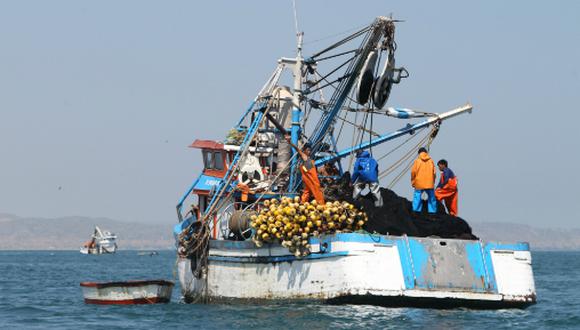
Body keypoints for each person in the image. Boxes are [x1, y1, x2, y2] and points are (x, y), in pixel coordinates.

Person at [285, 135, 325, 205]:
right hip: (310, 180)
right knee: (315, 191)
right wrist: (290, 142)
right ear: (304, 151)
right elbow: (297, 149)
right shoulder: (305, 157)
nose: (309, 151)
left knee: (307, 192)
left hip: (312, 180)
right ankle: (321, 205)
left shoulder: (310, 160)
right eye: (308, 150)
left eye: (310, 150)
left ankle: (303, 203)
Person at [410, 147, 436, 214]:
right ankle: (432, 211)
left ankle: (416, 210)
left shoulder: (417, 161)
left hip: (419, 183)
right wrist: (433, 182)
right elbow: (434, 173)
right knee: (431, 197)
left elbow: (413, 172)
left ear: (419, 153)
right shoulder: (431, 161)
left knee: (417, 196)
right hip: (429, 183)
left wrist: (413, 182)